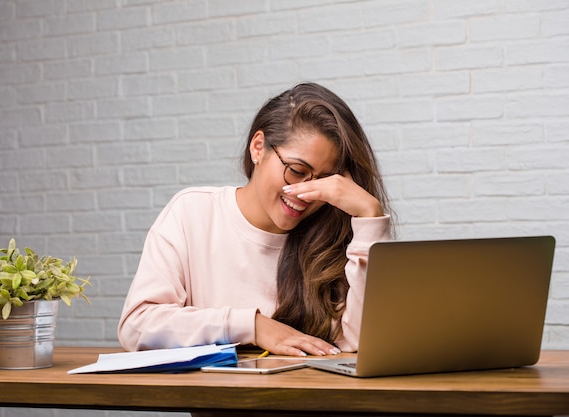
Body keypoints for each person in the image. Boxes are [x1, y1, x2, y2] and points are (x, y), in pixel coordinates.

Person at [118, 82, 393, 357]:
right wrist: (252, 326)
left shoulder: (333, 234)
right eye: (297, 171)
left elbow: (363, 343)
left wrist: (370, 220)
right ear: (258, 148)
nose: (308, 193)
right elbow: (137, 325)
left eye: (325, 181)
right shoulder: (192, 213)